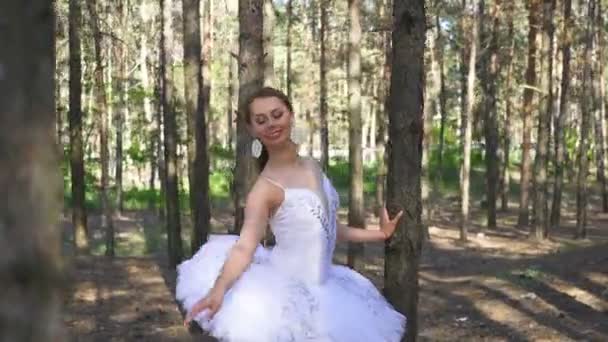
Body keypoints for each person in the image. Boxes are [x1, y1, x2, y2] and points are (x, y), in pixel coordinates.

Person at [176, 87, 406, 341]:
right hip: (285, 296)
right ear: (252, 130)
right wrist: (218, 289)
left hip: (331, 292)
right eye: (261, 120)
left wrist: (380, 234)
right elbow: (244, 248)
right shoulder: (264, 190)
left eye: (277, 114)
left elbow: (328, 229)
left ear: (291, 115)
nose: (271, 124)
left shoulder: (312, 165)